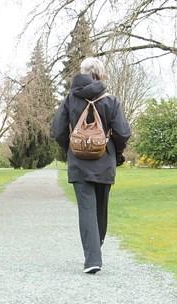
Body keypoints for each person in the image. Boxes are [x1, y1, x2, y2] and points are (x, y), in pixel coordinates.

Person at [52, 57, 131, 274]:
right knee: (100, 209)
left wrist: (71, 148)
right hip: (104, 162)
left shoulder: (70, 99)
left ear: (83, 73)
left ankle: (92, 257)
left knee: (86, 209)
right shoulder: (110, 100)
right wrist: (117, 151)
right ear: (101, 74)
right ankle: (95, 251)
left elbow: (58, 130)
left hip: (79, 164)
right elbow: (123, 133)